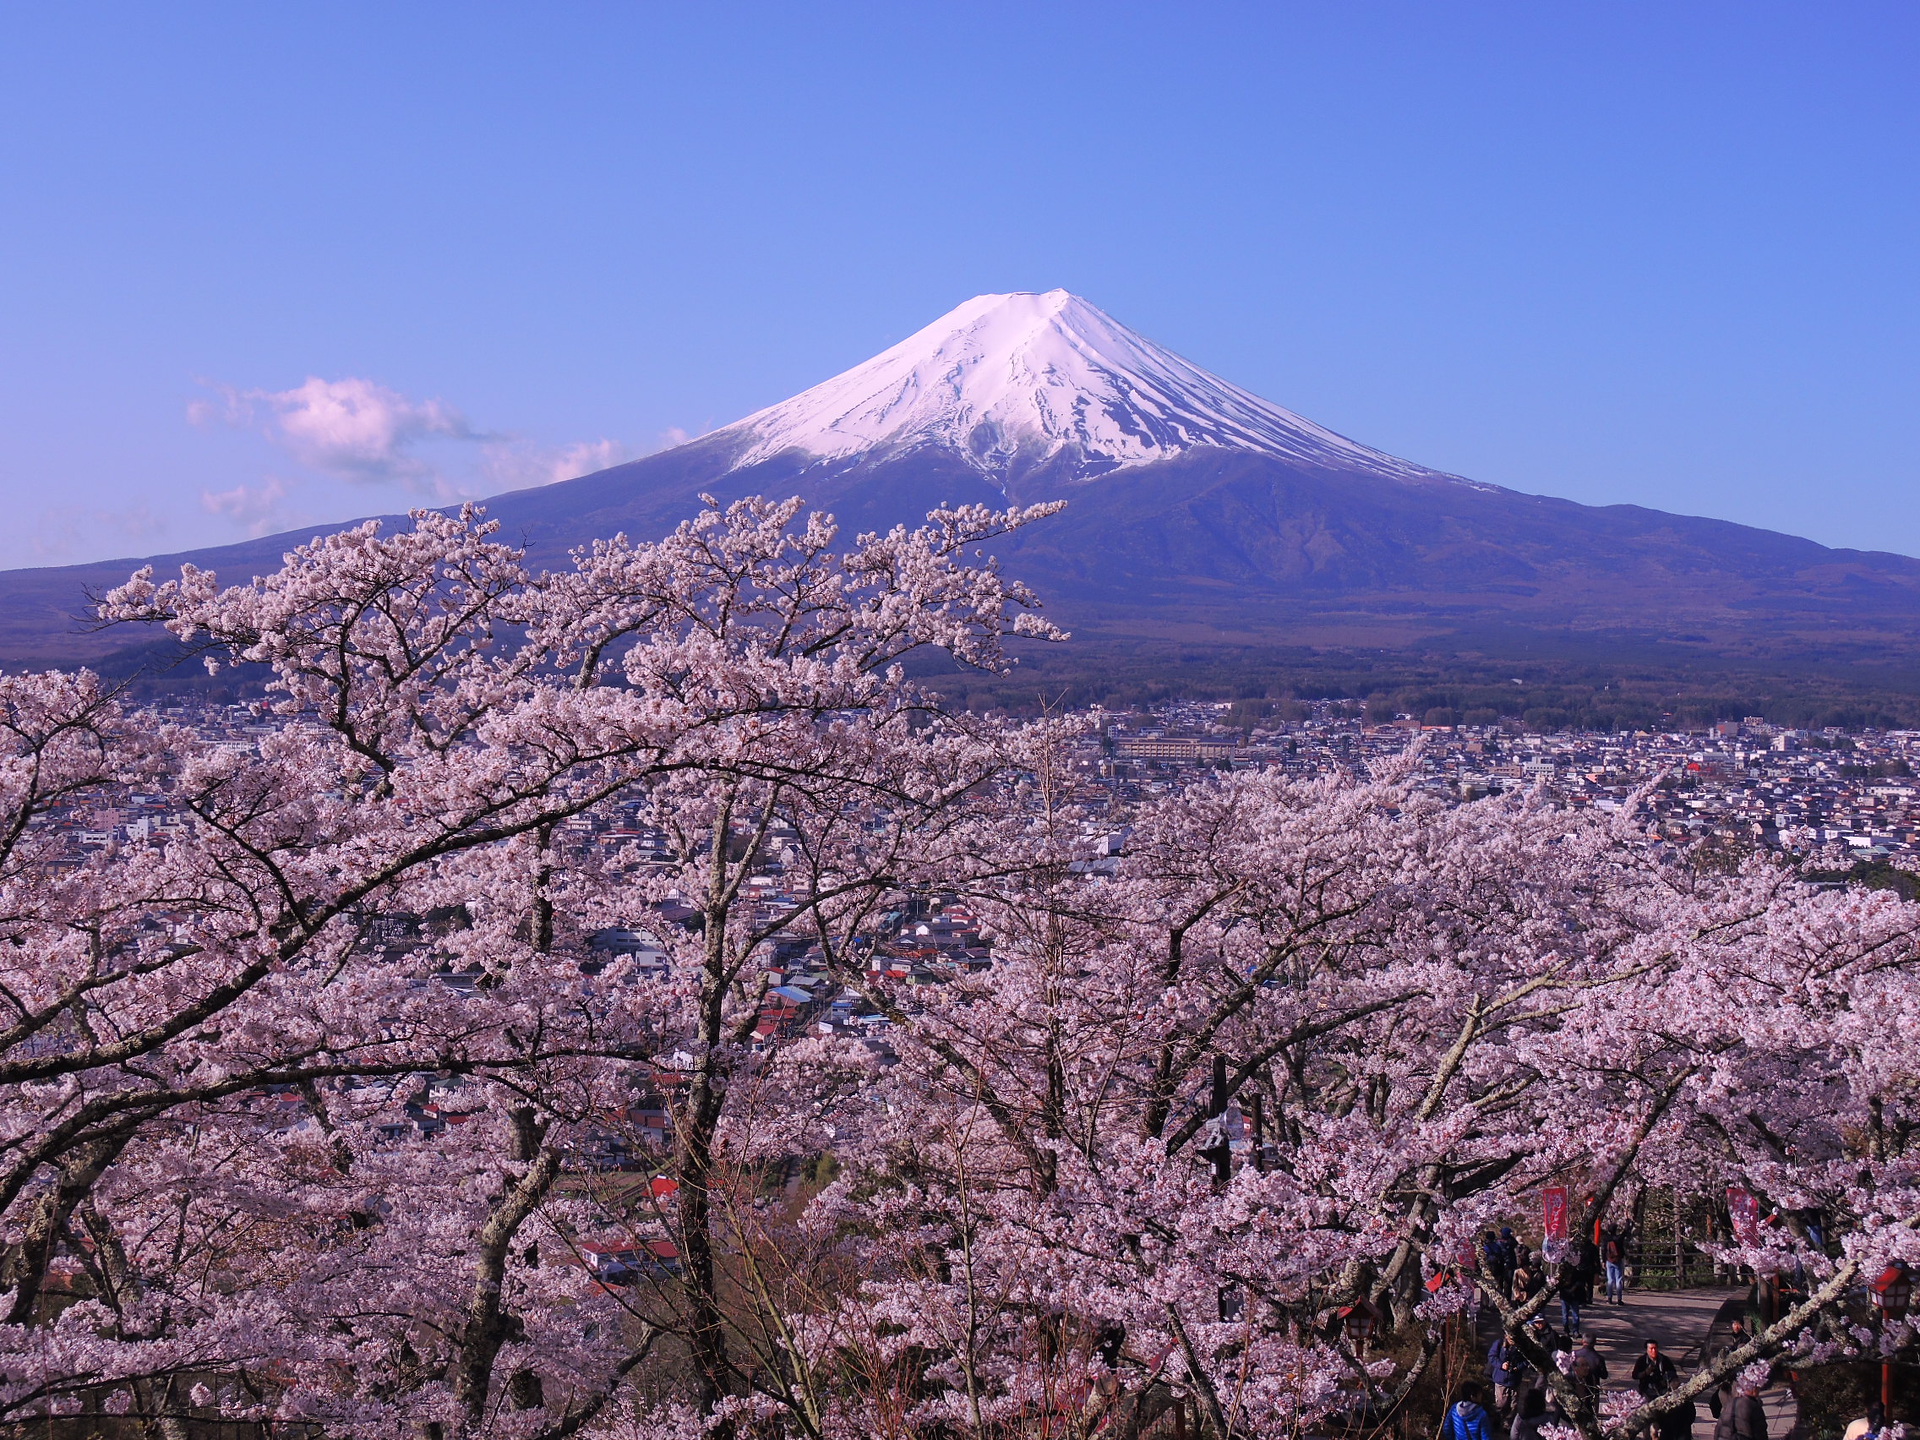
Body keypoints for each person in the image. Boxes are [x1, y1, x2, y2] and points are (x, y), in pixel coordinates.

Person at [1570, 1334, 1608, 1410]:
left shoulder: (1575, 1355)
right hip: (1593, 1389)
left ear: (1583, 1341)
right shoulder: (1598, 1358)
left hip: (1576, 1388)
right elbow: (1604, 1375)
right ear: (1594, 1343)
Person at [1604, 1227, 1628, 1305]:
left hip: (1609, 1260)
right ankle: (1619, 1299)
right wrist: (1628, 1221)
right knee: (1619, 1280)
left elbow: (1604, 1250)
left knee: (1610, 1280)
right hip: (1618, 1260)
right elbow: (1625, 1232)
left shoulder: (1607, 1239)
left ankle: (1609, 1298)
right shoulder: (1619, 1238)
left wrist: (1604, 1261)